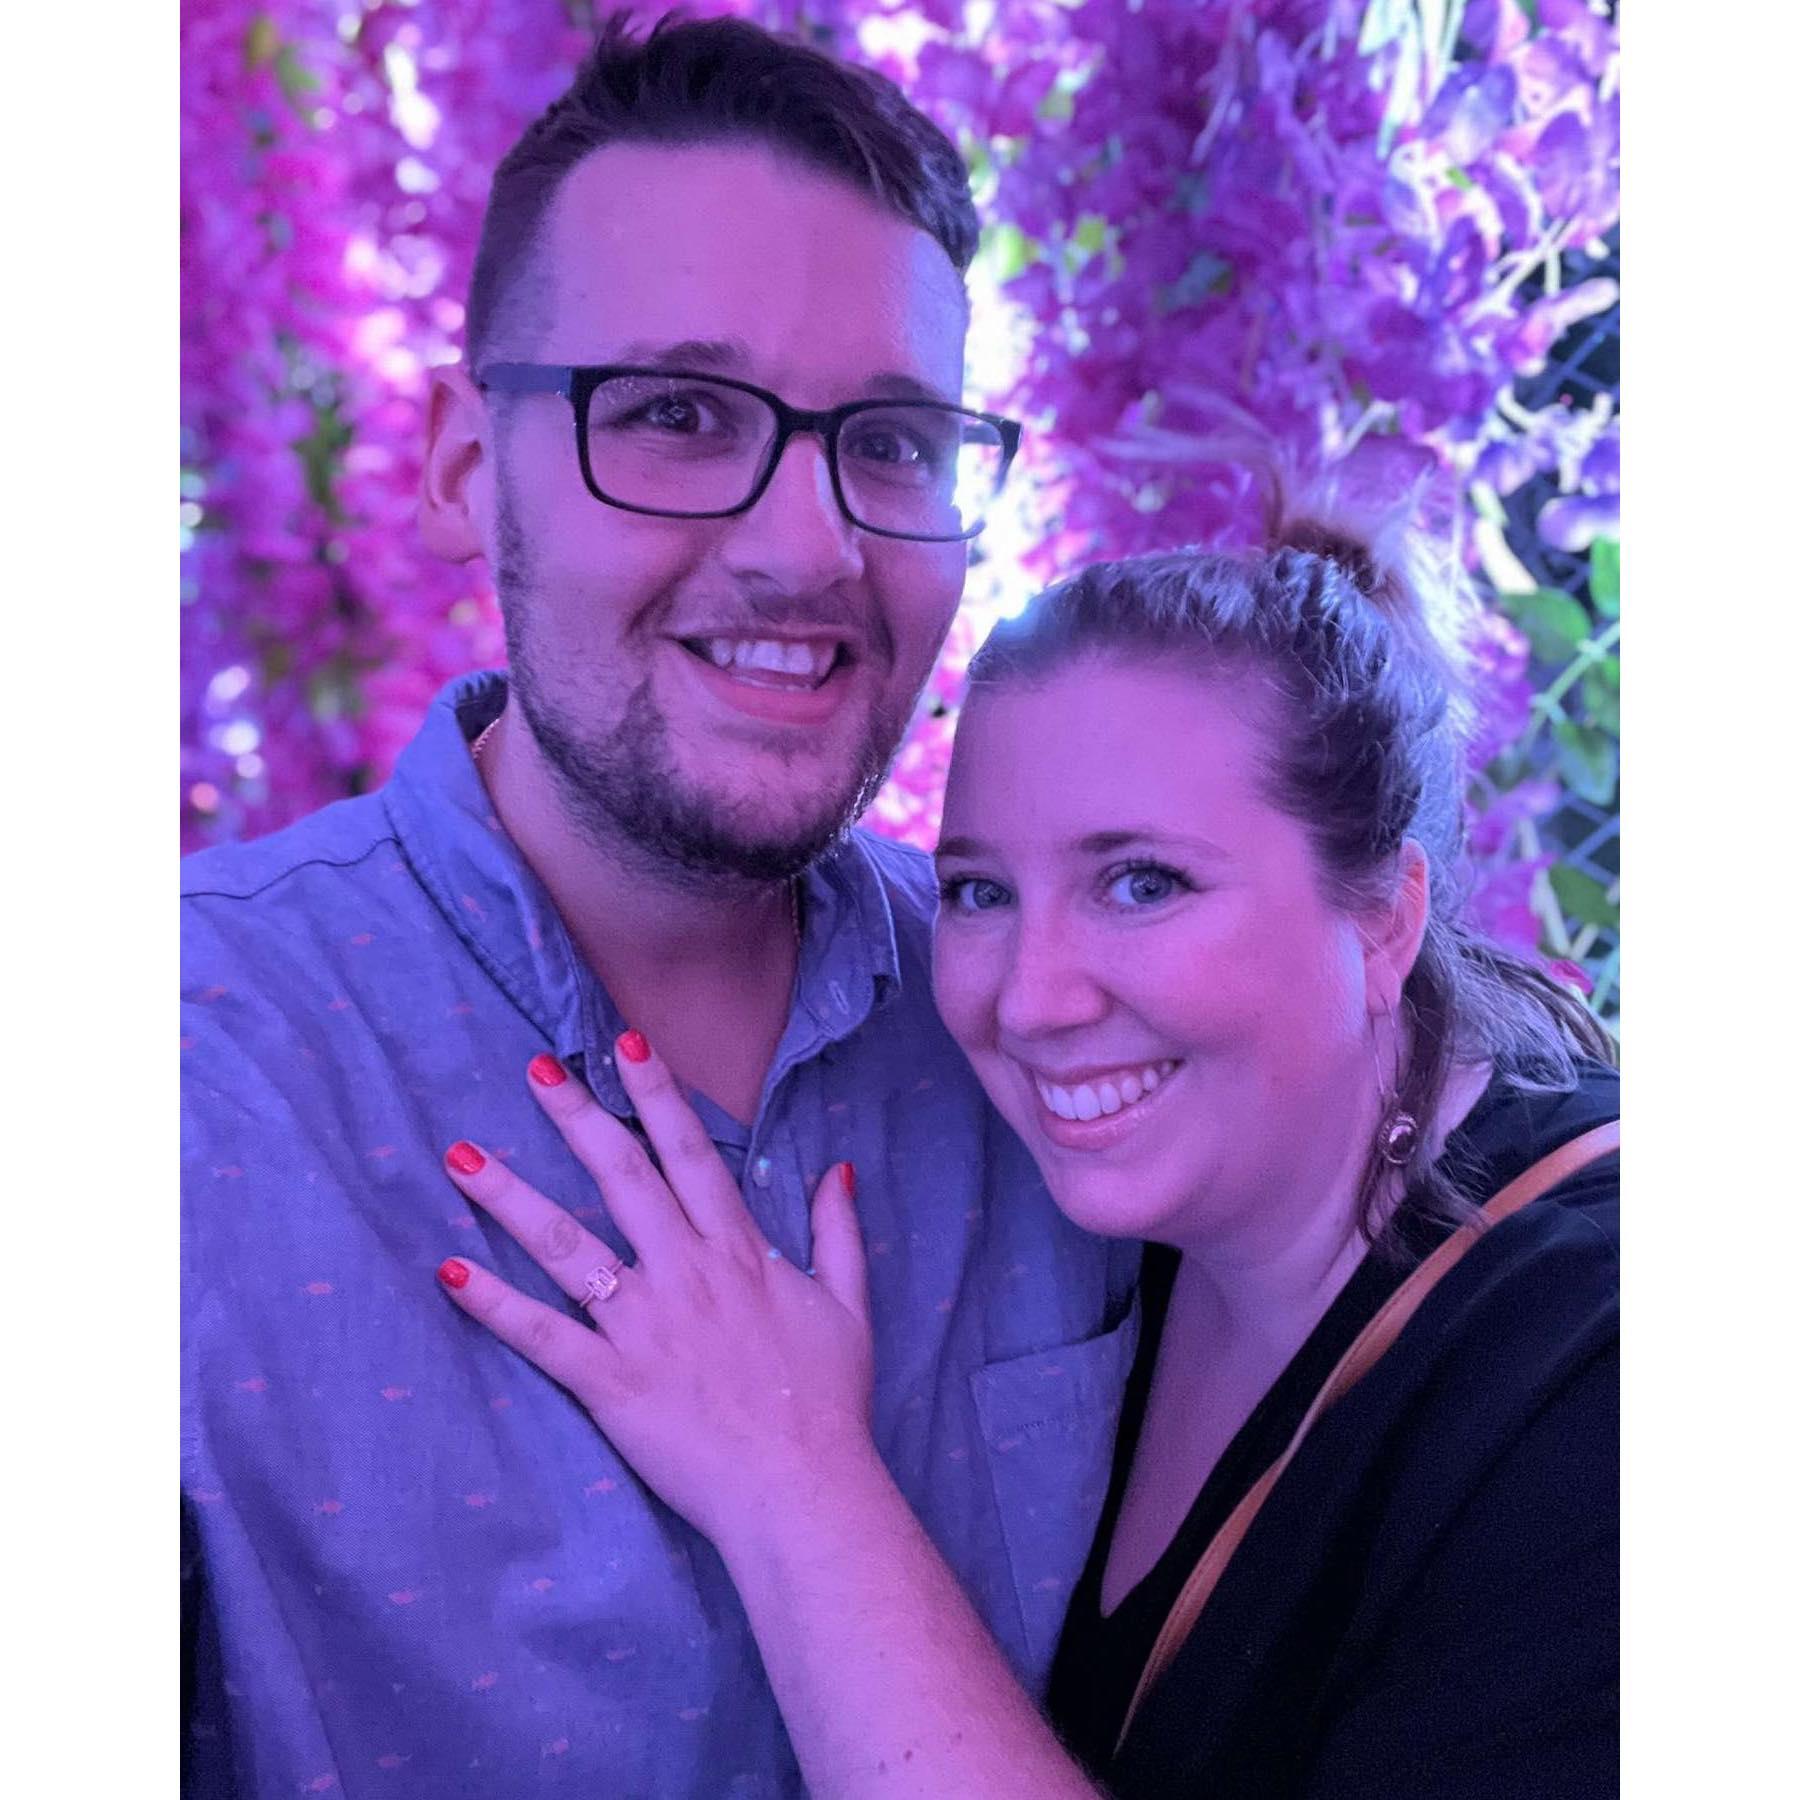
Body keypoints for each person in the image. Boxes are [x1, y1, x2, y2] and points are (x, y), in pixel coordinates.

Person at [180, 15, 1137, 1796]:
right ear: (462, 468)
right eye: (678, 417)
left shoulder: (1070, 1031)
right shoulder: (176, 1075)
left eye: (894, 441)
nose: (809, 547)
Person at [434, 517, 1620, 1798]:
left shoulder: (1601, 1369)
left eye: (1143, 884)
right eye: (981, 892)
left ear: (1385, 915)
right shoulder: (1117, 1234)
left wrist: (790, 1474)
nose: (1032, 1000)